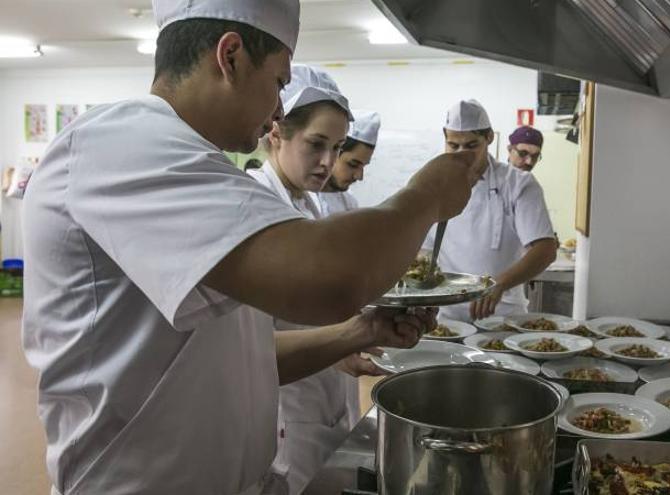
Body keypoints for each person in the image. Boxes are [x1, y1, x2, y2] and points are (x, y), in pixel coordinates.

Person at [20, 1, 483, 494]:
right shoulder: (118, 144)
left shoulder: (204, 172)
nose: (280, 110)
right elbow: (332, 276)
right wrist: (428, 194)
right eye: (281, 82)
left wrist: (360, 331)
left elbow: (246, 362)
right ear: (231, 56)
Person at [247, 64, 380, 493]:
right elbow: (250, 340)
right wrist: (342, 340)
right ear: (276, 134)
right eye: (316, 144)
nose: (328, 162)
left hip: (327, 390)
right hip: (287, 406)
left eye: (337, 147)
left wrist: (350, 338)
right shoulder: (257, 206)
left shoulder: (308, 204)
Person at [428, 99, 557, 322]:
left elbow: (545, 249)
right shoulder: (433, 184)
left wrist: (500, 283)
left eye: (471, 146)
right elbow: (423, 249)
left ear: (489, 138)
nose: (461, 155)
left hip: (503, 318)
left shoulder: (518, 184)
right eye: (453, 145)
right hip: (446, 319)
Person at [311, 110, 380, 216]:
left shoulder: (349, 204)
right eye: (353, 165)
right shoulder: (296, 201)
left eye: (363, 166)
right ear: (333, 151)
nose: (359, 176)